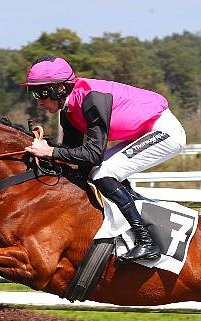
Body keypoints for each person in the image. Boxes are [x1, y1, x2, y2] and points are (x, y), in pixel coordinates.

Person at [22, 56, 186, 262]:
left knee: (104, 172)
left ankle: (147, 241)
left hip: (164, 133)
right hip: (142, 134)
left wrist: (50, 152)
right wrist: (45, 151)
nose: (39, 101)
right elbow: (73, 155)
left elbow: (93, 154)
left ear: (60, 89)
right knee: (93, 172)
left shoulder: (92, 99)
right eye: (35, 94)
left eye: (42, 93)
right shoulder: (69, 110)